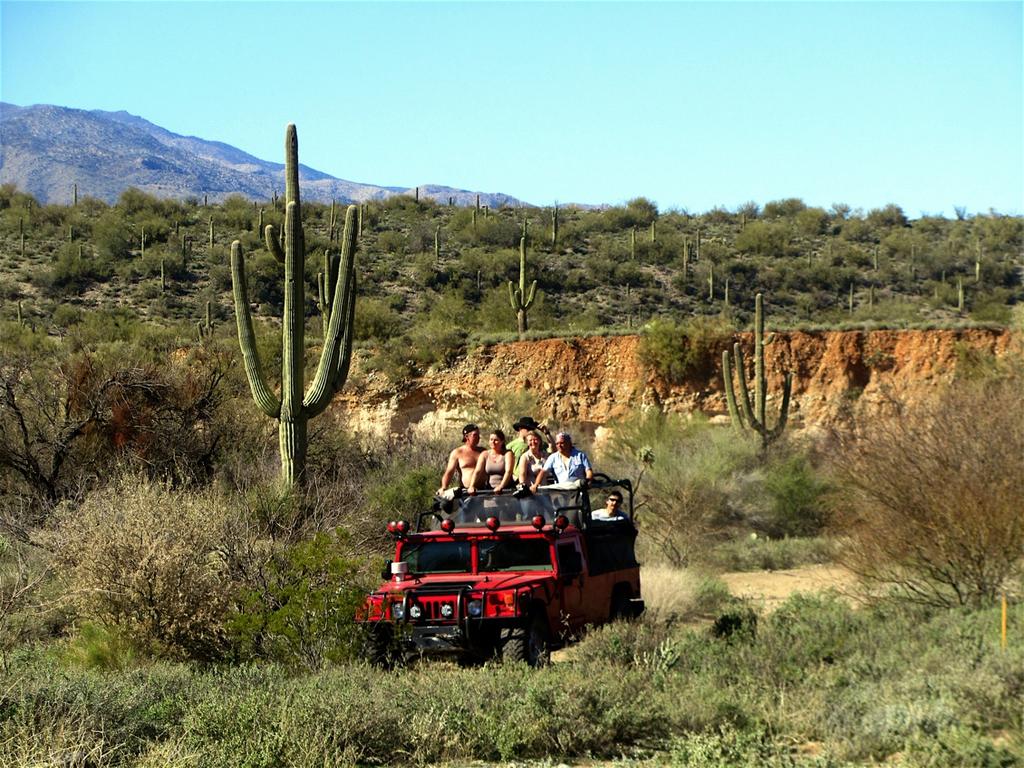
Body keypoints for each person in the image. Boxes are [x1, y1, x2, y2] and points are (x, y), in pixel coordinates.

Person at [438, 423, 484, 494]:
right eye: (475, 435)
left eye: (478, 435)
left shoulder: (483, 451)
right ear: (466, 436)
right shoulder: (457, 453)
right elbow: (449, 472)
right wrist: (444, 487)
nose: (478, 437)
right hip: (466, 492)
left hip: (484, 491)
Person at [470, 429, 515, 494]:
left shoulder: (507, 454)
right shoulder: (485, 454)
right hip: (489, 490)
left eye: (496, 440)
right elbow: (477, 471)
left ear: (502, 441)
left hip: (506, 490)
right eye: (491, 439)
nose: (493, 442)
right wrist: (471, 486)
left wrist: (501, 486)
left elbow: (508, 471)